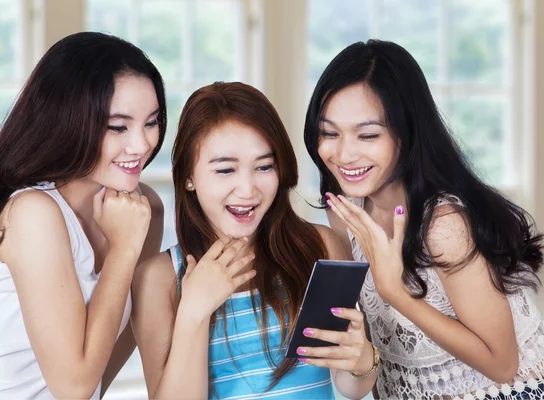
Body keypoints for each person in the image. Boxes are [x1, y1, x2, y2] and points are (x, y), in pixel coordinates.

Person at [304, 39, 544, 399]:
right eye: (329, 132)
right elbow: (369, 371)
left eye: (367, 134)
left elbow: (502, 364)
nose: (343, 154)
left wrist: (394, 293)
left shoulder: (444, 224)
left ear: (407, 133)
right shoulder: (345, 214)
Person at [0, 32, 165, 399]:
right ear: (69, 121)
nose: (141, 144)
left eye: (152, 122)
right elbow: (74, 386)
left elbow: (118, 344)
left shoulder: (144, 210)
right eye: (118, 126)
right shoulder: (32, 212)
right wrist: (123, 249)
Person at [131, 81, 380, 400]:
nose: (248, 189)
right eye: (225, 170)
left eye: (264, 166)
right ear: (189, 176)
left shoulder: (320, 248)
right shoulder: (158, 278)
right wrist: (194, 312)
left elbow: (351, 386)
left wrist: (361, 360)